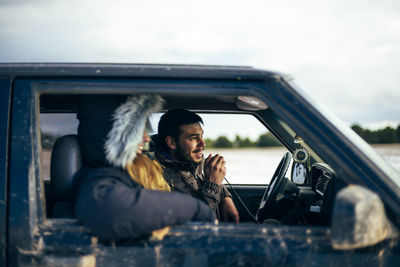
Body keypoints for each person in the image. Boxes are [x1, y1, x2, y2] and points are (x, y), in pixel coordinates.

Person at [73, 95, 215, 241]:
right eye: (138, 130)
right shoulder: (98, 179)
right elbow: (108, 210)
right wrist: (198, 209)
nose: (147, 138)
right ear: (115, 134)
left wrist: (221, 192)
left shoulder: (132, 169)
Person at [153, 108, 240, 222]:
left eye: (201, 136)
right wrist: (212, 185)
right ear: (171, 143)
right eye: (194, 138)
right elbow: (197, 227)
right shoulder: (155, 177)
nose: (203, 144)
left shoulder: (192, 161)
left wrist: (224, 195)